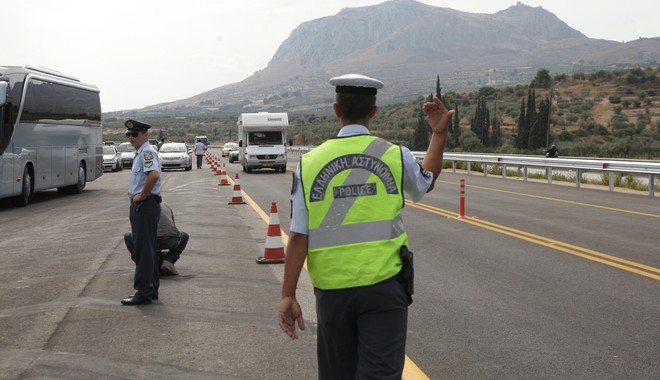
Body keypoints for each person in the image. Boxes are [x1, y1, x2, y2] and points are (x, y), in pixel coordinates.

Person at [278, 73, 454, 379]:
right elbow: (427, 181)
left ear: (336, 110)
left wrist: (288, 295)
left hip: (333, 293)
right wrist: (438, 134)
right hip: (384, 287)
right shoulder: (394, 155)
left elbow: (298, 237)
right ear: (374, 111)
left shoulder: (309, 164)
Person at [122, 119, 162, 306]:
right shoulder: (141, 152)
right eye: (128, 135)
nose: (131, 138)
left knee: (143, 250)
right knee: (148, 249)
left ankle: (143, 292)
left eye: (135, 134)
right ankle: (151, 289)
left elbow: (153, 175)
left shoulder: (146, 152)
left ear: (145, 135)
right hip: (145, 205)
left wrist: (141, 196)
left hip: (144, 206)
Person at [124, 202, 189, 276]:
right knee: (185, 236)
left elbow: (136, 229)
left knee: (128, 237)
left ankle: (144, 264)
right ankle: (169, 261)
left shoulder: (136, 207)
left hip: (148, 241)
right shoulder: (165, 205)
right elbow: (172, 226)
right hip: (169, 239)